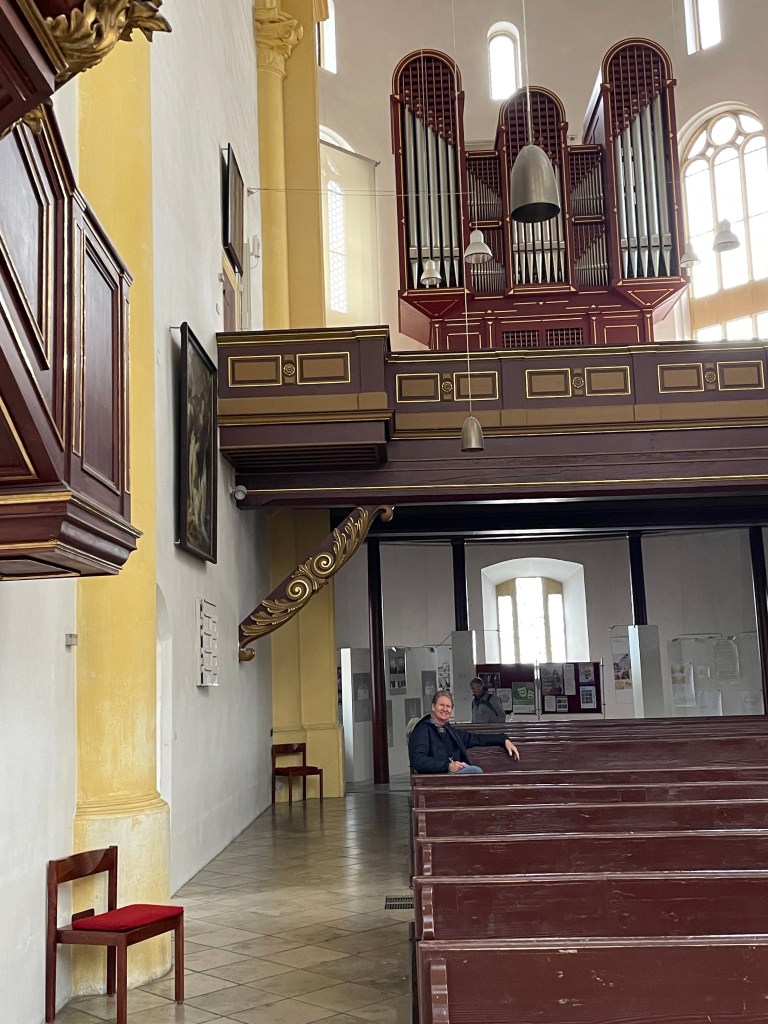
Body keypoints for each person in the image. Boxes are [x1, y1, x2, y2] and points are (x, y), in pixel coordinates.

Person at [408, 691, 520, 774]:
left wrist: (503, 739)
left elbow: (476, 739)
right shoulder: (422, 730)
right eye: (441, 705)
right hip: (435, 778)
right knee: (475, 771)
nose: (445, 709)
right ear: (433, 707)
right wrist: (447, 766)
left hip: (449, 776)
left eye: (448, 706)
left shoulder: (449, 731)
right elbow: (417, 760)